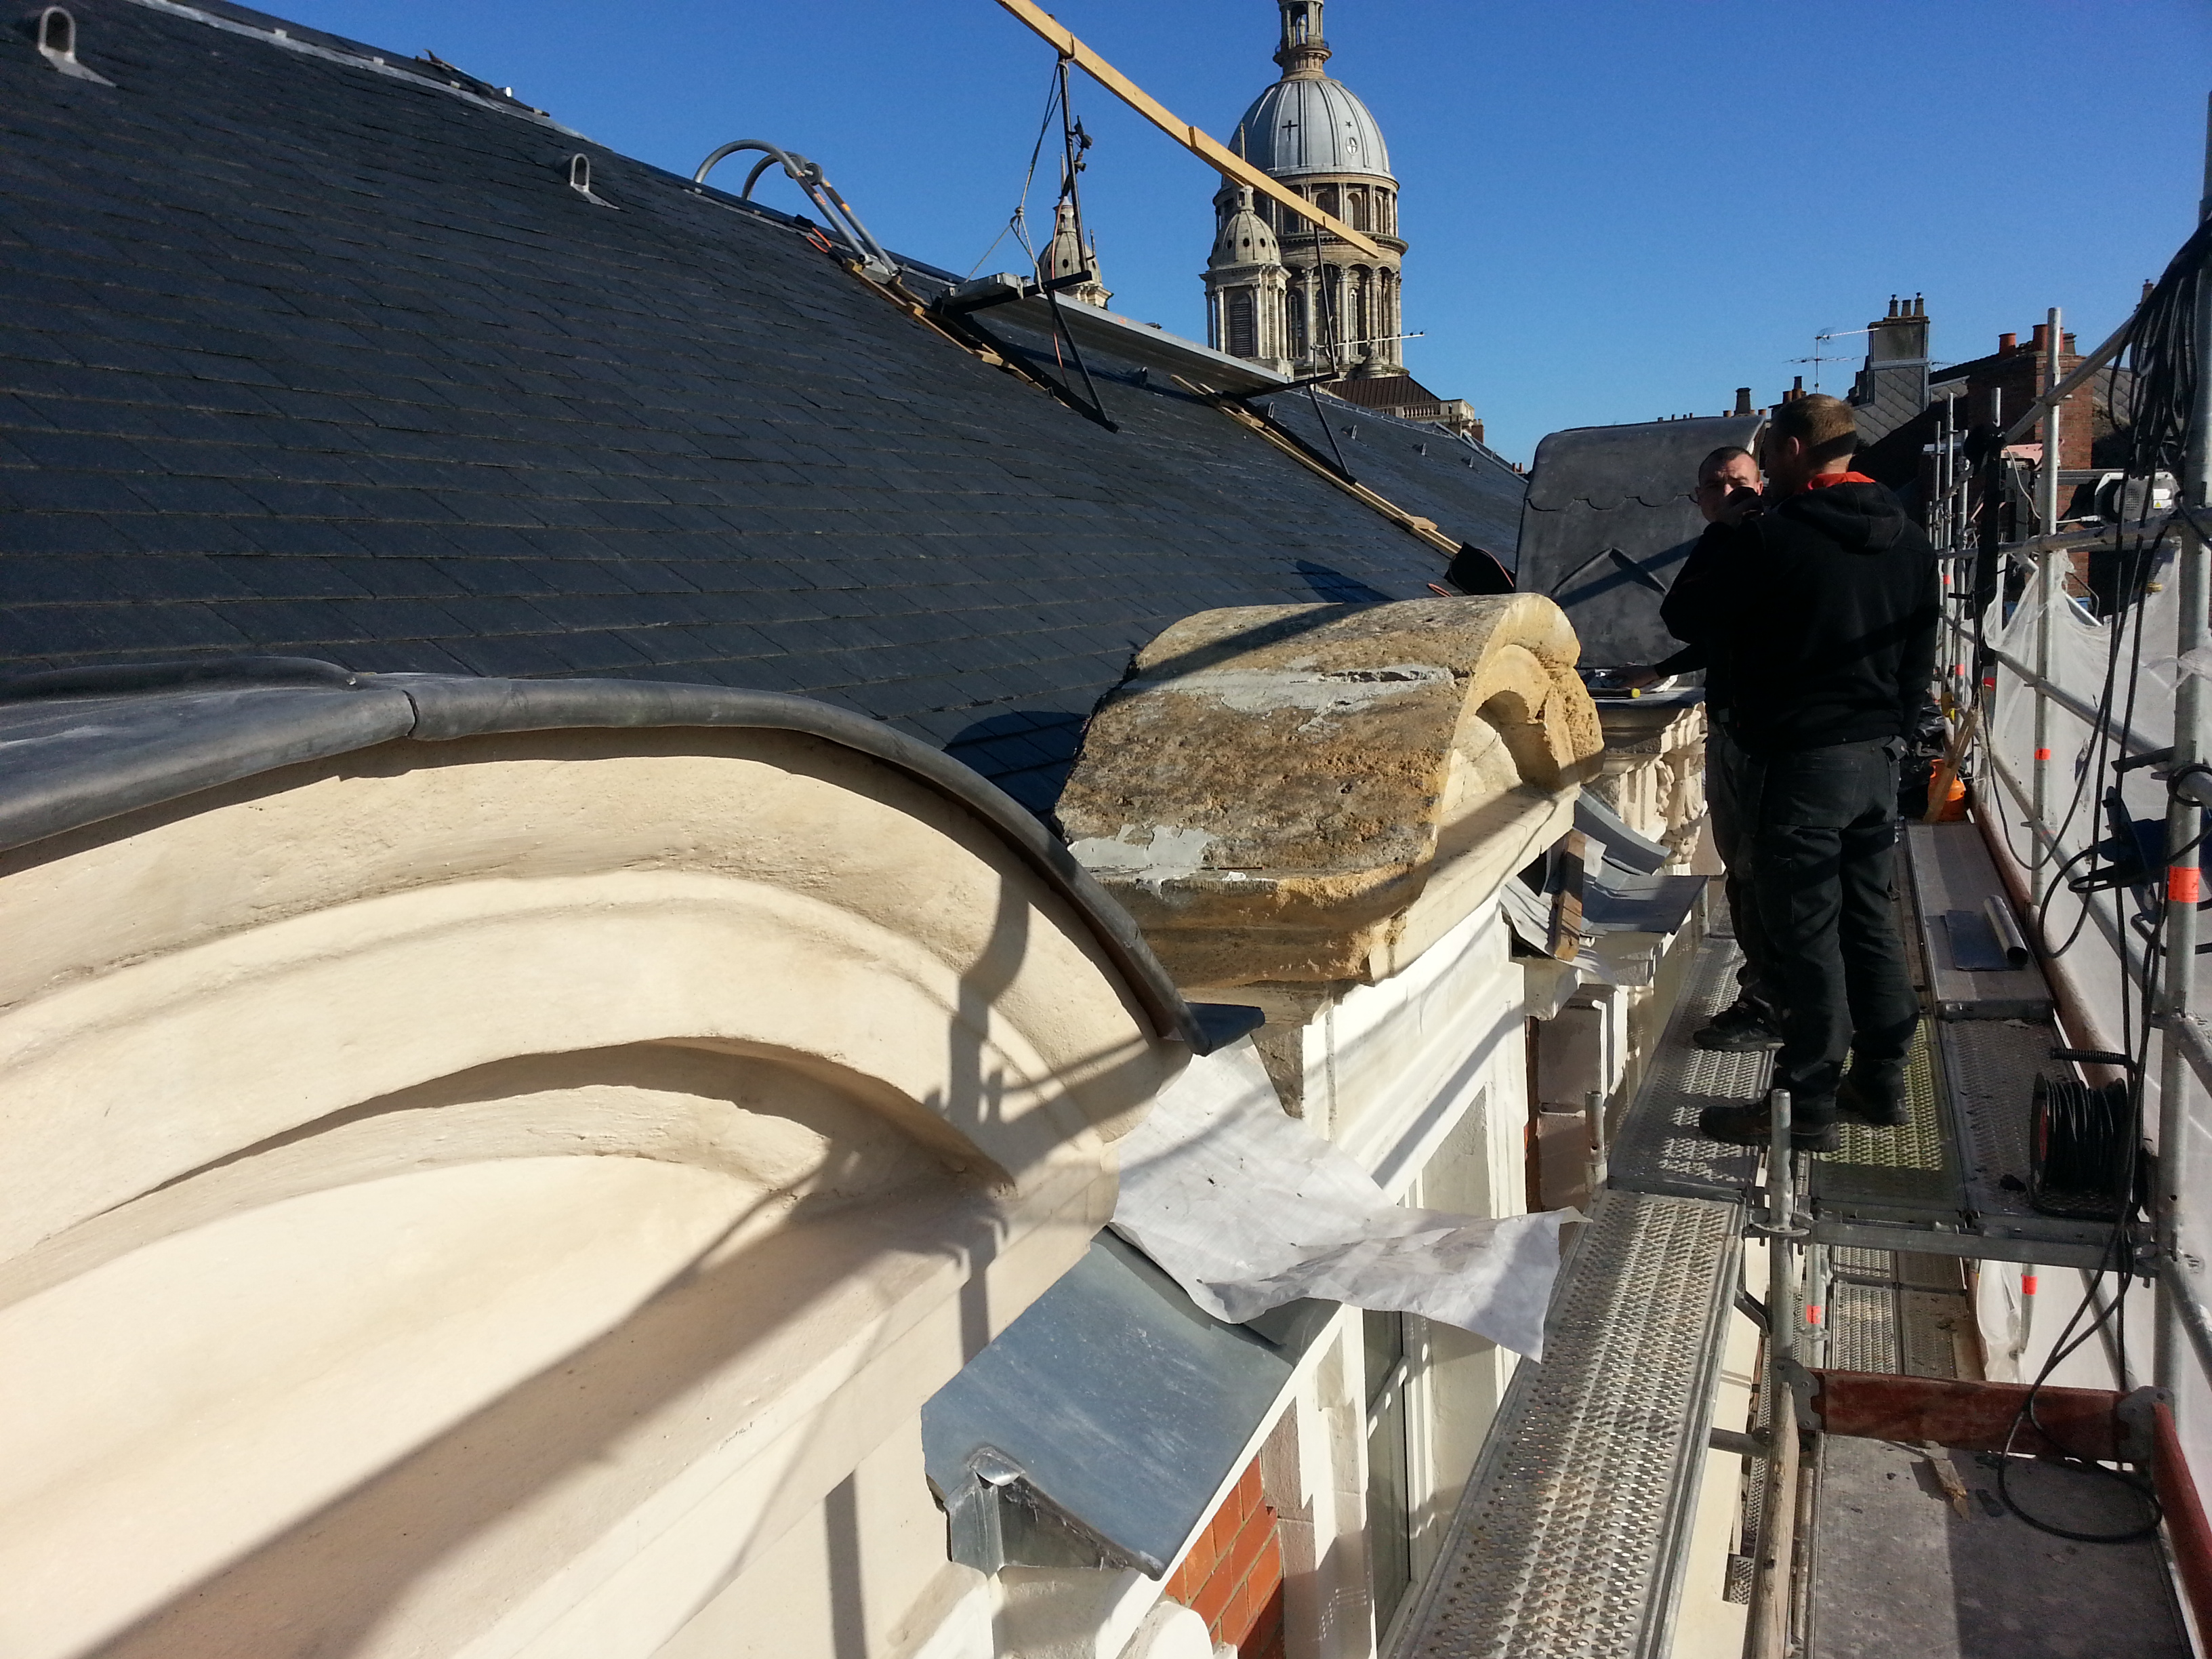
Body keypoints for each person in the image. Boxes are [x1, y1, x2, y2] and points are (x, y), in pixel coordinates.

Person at [1692, 395, 1936, 1152]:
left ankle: (1807, 1107)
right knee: (1870, 922)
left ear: (1795, 449)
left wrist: (1729, 530)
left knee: (1807, 938)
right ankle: (1885, 1081)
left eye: (1768, 453)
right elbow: (1918, 657)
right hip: (1876, 762)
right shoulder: (1910, 538)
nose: (1761, 468)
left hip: (1800, 767)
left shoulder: (1776, 536)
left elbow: (1688, 617)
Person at [1626, 445, 1786, 1052]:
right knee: (1750, 869)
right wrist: (1664, 669)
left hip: (1758, 732)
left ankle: (1770, 1005)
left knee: (1755, 869)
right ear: (1699, 498)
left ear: (1762, 484)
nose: (1729, 493)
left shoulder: (1756, 542)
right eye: (1716, 485)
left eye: (1739, 482)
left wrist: (1731, 534)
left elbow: (1686, 612)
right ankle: (1770, 996)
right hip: (1750, 726)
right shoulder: (1745, 541)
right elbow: (1707, 626)